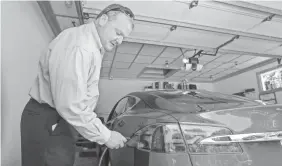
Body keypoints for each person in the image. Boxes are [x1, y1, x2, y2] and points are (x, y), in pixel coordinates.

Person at [20, 4, 135, 166]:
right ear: (103, 20)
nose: (120, 41)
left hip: (63, 119)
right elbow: (70, 106)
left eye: (124, 37)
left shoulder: (93, 46)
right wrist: (107, 136)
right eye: (118, 33)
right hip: (50, 118)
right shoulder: (80, 47)